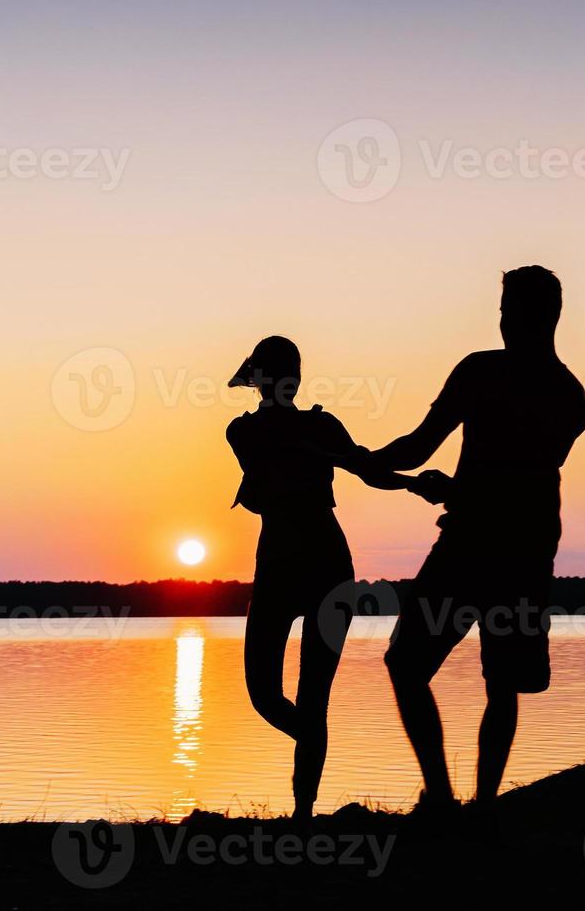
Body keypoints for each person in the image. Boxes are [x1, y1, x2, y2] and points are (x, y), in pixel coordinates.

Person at [374, 266, 585, 813]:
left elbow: (427, 450)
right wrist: (437, 484)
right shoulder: (572, 396)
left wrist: (369, 464)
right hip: (523, 545)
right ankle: (471, 803)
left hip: (477, 544)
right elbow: (515, 476)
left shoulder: (483, 373)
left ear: (533, 315)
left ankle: (450, 798)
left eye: (506, 309)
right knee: (502, 681)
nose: (500, 320)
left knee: (414, 665)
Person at [226, 335, 415, 822]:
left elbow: (369, 470)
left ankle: (303, 814)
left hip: (325, 567)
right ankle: (310, 746)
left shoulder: (321, 426)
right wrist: (332, 449)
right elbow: (281, 447)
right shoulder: (242, 431)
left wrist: (416, 482)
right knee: (264, 693)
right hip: (284, 566)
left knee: (313, 695)